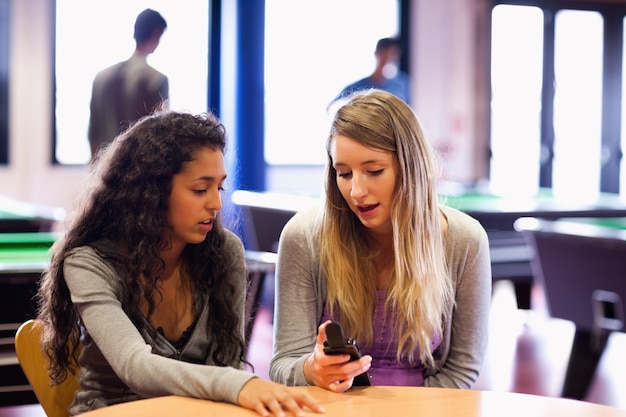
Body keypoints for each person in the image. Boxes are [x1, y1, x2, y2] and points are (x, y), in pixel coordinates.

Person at [35, 109, 325, 417]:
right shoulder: (90, 262)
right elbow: (135, 366)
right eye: (200, 189)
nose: (215, 204)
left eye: (219, 187)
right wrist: (237, 384)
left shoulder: (225, 252)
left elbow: (228, 363)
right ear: (151, 192)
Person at [270, 89, 491, 391]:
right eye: (343, 173)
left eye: (373, 171)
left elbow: (462, 370)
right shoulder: (304, 237)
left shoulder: (465, 240)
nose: (356, 191)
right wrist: (312, 370)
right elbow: (284, 363)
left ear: (410, 168)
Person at [87, 8, 169, 161]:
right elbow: (159, 136)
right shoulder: (156, 80)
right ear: (156, 34)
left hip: (105, 172)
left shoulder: (101, 77)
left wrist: (98, 173)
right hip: (139, 173)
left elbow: (93, 133)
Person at [331, 37, 411, 106]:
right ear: (377, 54)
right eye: (386, 54)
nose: (389, 59)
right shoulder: (356, 87)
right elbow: (333, 106)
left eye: (393, 55)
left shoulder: (403, 84)